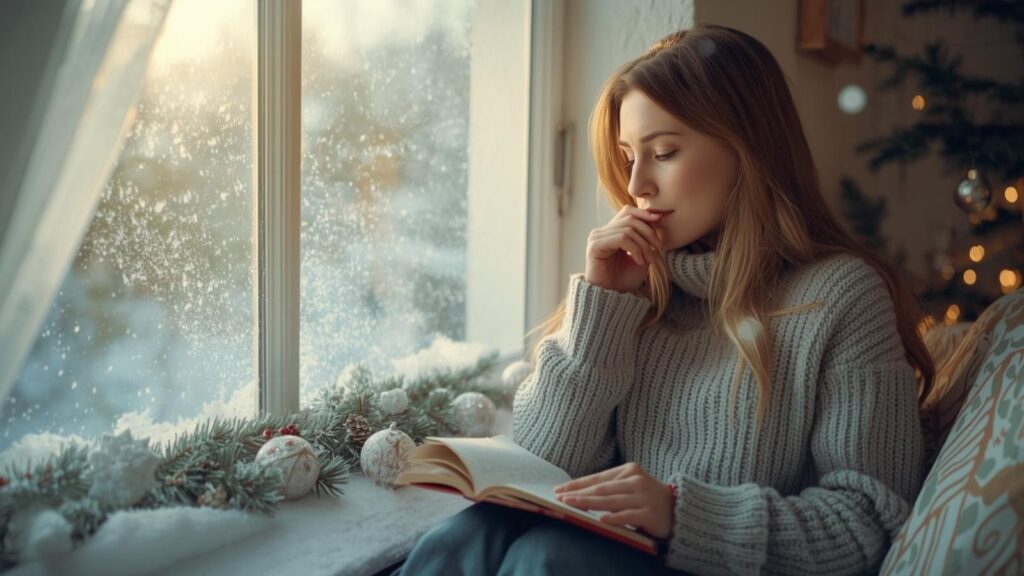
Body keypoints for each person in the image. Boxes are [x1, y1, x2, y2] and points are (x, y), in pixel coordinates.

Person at [398, 22, 934, 576]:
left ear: (747, 149)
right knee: (466, 537)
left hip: (721, 564)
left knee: (547, 558)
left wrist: (683, 515)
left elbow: (868, 521)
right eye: (629, 155)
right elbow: (544, 461)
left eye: (665, 151)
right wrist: (600, 308)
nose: (636, 186)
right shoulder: (638, 291)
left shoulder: (842, 296)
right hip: (606, 552)